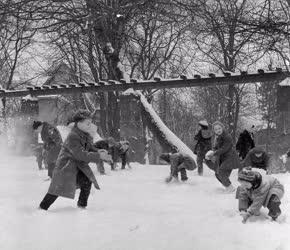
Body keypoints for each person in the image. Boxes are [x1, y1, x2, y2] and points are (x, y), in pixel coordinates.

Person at [39, 110, 112, 210]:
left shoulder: (83, 134)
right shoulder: (73, 136)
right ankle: (42, 208)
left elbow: (89, 147)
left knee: (86, 180)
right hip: (65, 169)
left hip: (74, 167)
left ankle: (82, 206)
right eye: (88, 123)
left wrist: (99, 151)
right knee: (56, 190)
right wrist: (99, 156)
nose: (90, 126)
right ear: (79, 124)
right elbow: (80, 154)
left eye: (90, 123)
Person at [205, 121, 240, 193]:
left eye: (219, 128)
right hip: (224, 158)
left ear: (222, 128)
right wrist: (210, 154)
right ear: (214, 131)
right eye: (216, 129)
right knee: (217, 173)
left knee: (221, 171)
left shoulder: (227, 136)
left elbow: (224, 148)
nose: (218, 130)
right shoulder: (217, 138)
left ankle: (230, 187)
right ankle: (227, 187)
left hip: (231, 158)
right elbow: (215, 148)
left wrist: (214, 153)